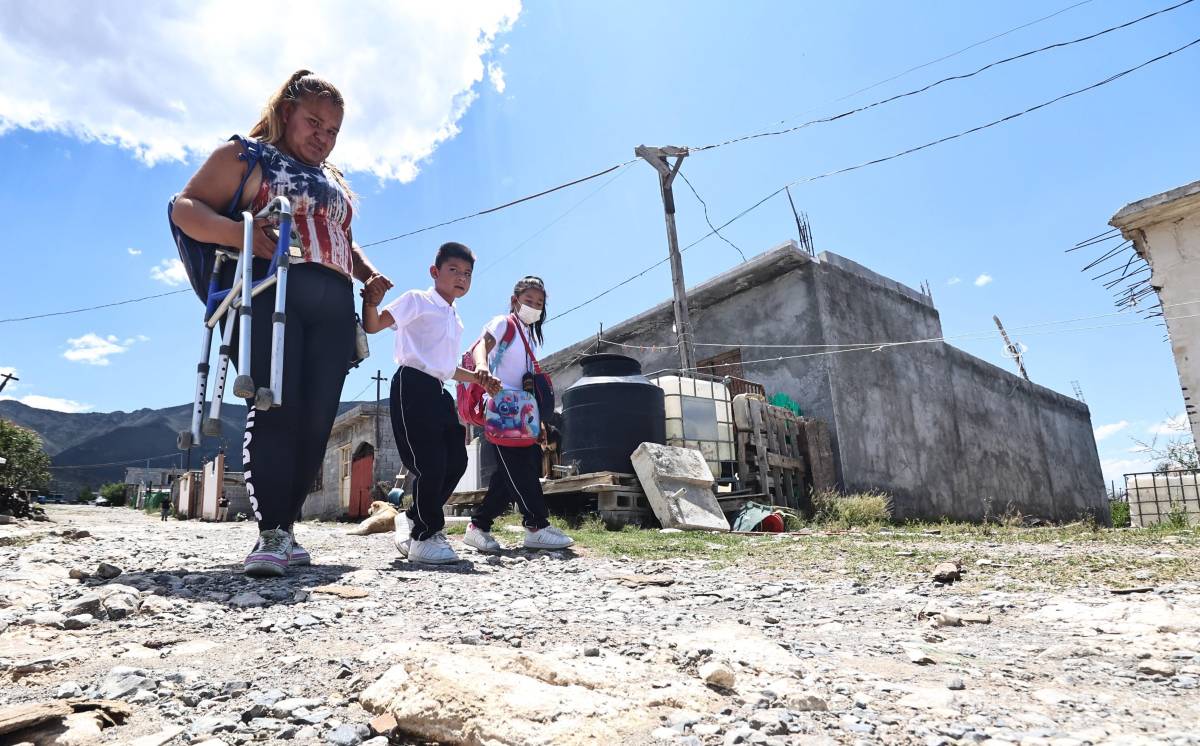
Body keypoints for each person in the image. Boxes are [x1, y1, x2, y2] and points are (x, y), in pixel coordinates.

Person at [170, 70, 392, 577]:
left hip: (334, 301)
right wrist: (235, 231)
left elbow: (339, 235)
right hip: (274, 293)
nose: (323, 136)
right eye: (314, 122)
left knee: (318, 421)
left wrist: (368, 273)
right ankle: (270, 532)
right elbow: (186, 209)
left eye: (333, 130)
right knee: (275, 408)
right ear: (286, 111)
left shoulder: (333, 180)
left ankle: (288, 528)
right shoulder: (248, 156)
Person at [360, 242, 500, 564]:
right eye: (453, 270)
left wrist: (478, 378)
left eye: (467, 273)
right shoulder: (418, 300)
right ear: (434, 272)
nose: (461, 278)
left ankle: (412, 518)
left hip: (439, 389)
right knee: (430, 463)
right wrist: (371, 302)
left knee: (456, 461)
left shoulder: (455, 318)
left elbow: (447, 367)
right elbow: (374, 325)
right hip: (412, 384)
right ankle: (424, 536)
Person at [464, 276, 574, 553]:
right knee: (519, 466)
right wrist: (482, 368)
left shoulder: (528, 336)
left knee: (510, 472)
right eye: (529, 301)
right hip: (502, 408)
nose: (534, 307)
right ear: (515, 301)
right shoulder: (503, 323)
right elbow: (482, 345)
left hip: (521, 410)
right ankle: (536, 525)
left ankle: (478, 526)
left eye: (539, 304)